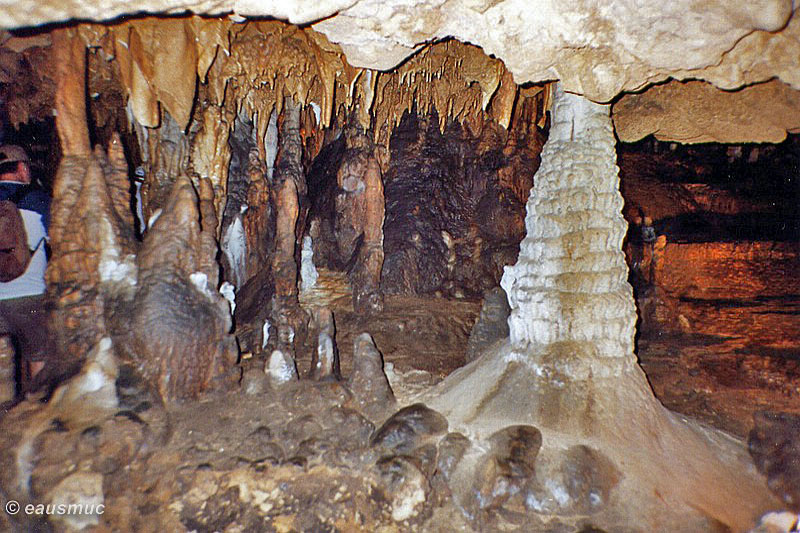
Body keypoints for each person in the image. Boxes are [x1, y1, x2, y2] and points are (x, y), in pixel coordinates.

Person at [0, 144, 54, 394]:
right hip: (30, 296)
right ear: (22, 168)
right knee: (39, 357)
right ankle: (37, 407)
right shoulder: (39, 201)